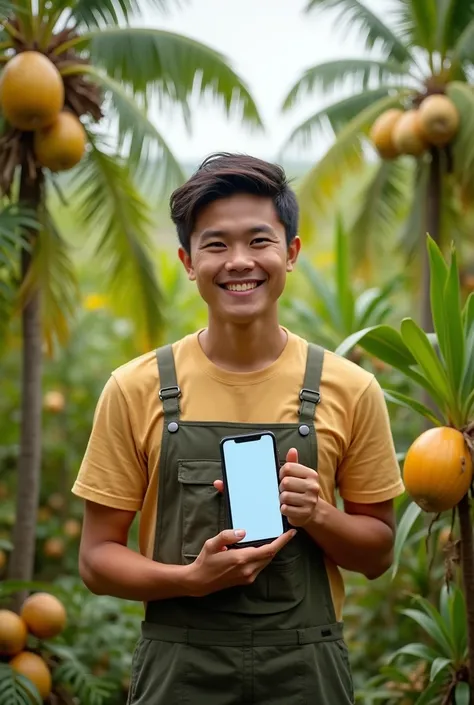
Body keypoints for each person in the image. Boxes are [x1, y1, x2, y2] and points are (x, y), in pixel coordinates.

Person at [72, 153, 404, 704]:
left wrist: (317, 513)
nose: (239, 262)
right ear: (187, 259)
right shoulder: (136, 388)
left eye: (259, 240)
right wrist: (188, 581)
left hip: (306, 668)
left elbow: (378, 554)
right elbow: (95, 560)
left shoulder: (350, 387)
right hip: (179, 664)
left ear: (291, 252)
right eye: (216, 245)